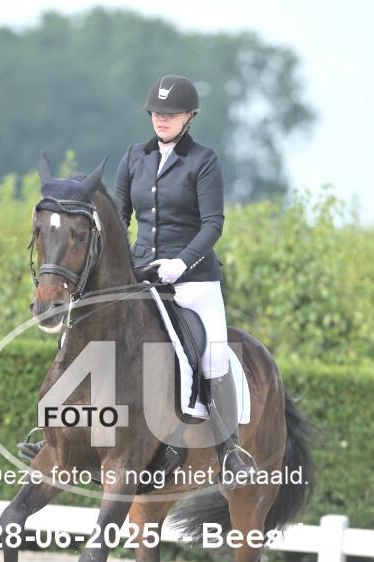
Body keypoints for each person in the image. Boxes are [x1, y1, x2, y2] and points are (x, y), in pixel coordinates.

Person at [114, 74, 256, 485]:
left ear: (189, 116)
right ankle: (60, 434)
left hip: (193, 280)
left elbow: (213, 224)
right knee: (93, 330)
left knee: (213, 355)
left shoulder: (203, 161)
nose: (162, 119)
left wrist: (182, 262)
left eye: (171, 113)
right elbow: (120, 217)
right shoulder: (134, 157)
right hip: (142, 276)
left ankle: (229, 452)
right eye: (156, 113)